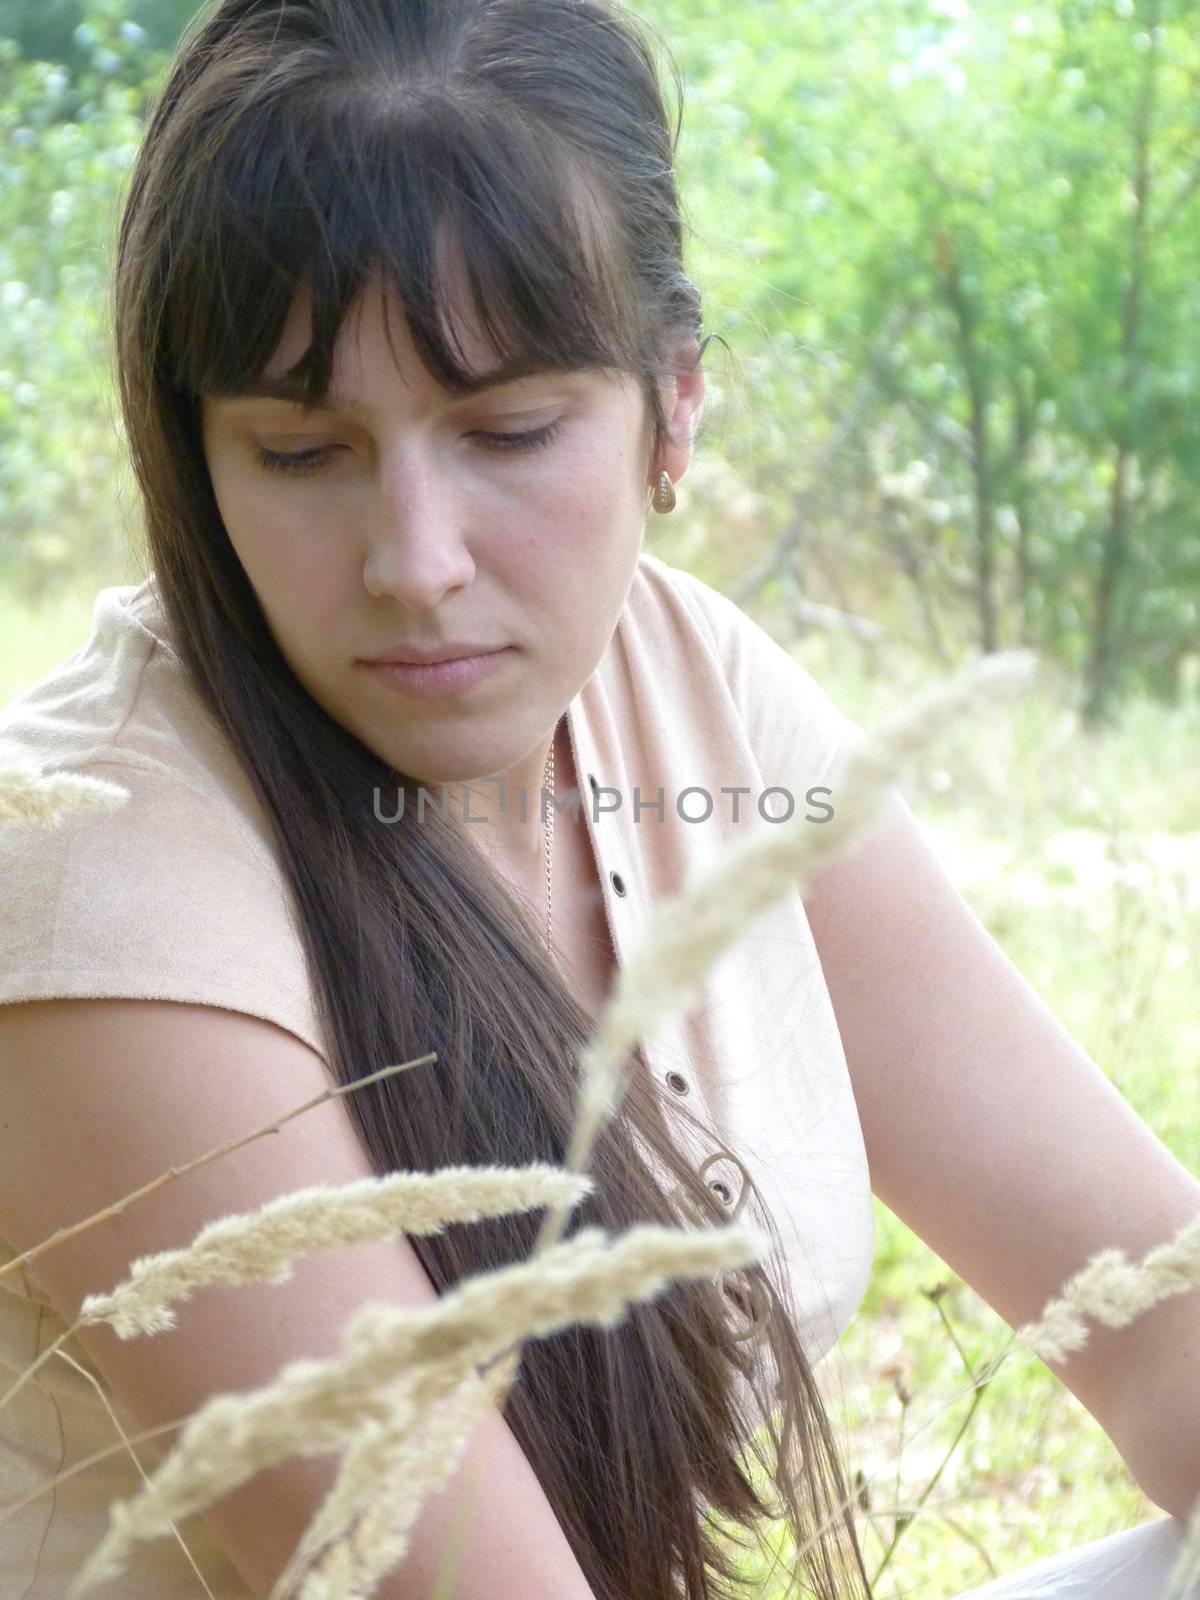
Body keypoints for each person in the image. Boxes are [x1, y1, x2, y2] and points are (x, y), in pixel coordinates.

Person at [0, 2, 1196, 1597]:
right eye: (302, 451)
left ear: (675, 404)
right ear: (193, 454)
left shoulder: (692, 685)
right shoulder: (96, 878)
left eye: (508, 431)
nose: (413, 563)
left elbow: (1156, 1320)